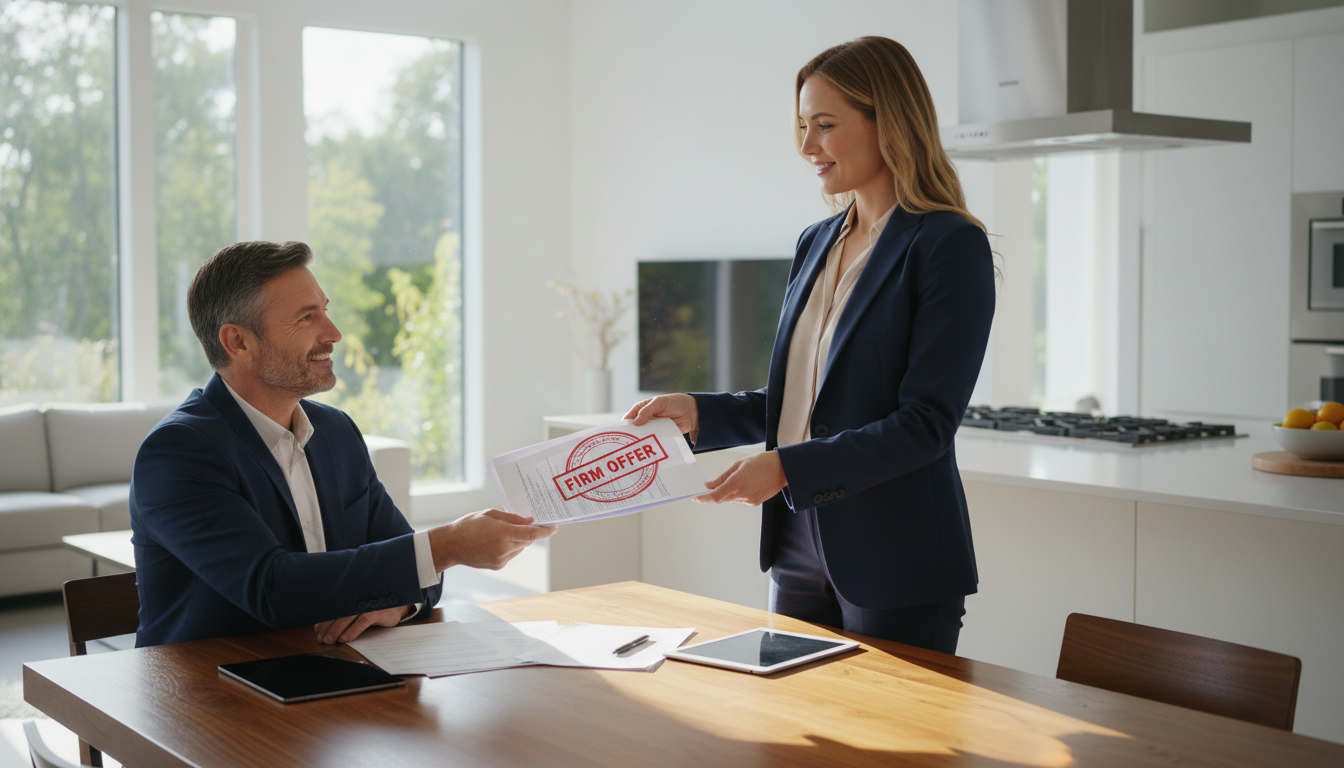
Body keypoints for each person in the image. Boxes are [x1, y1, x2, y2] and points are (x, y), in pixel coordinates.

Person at [625, 37, 995, 654]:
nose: (806, 147)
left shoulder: (947, 245)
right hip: (796, 544)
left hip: (895, 556)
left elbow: (927, 423)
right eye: (802, 126)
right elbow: (806, 397)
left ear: (891, 123)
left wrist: (787, 467)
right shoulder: (816, 241)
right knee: (793, 740)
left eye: (825, 125)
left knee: (892, 748)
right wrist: (702, 412)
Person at [131, 241, 555, 647]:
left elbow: (416, 566)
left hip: (327, 679)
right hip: (207, 696)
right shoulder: (179, 452)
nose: (333, 333)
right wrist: (449, 545)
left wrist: (400, 604)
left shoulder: (336, 433)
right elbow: (272, 589)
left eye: (326, 312)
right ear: (238, 342)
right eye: (306, 318)